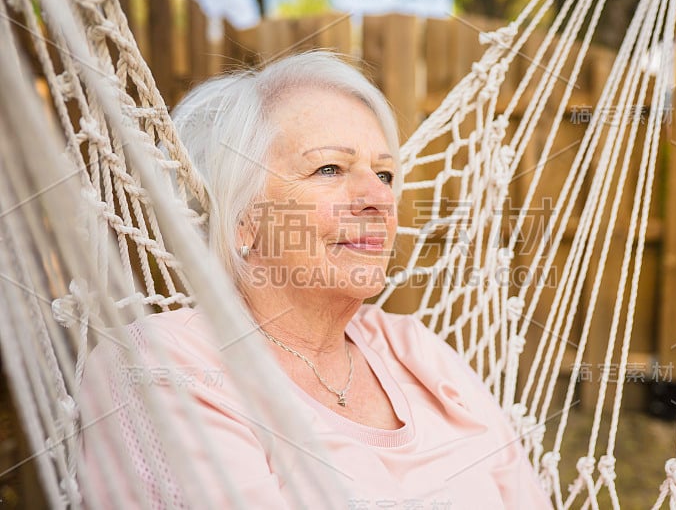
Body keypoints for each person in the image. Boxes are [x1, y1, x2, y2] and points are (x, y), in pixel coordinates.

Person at [79, 51, 552, 509]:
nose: (378, 199)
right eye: (329, 168)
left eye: (385, 175)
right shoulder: (165, 363)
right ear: (242, 219)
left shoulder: (417, 352)